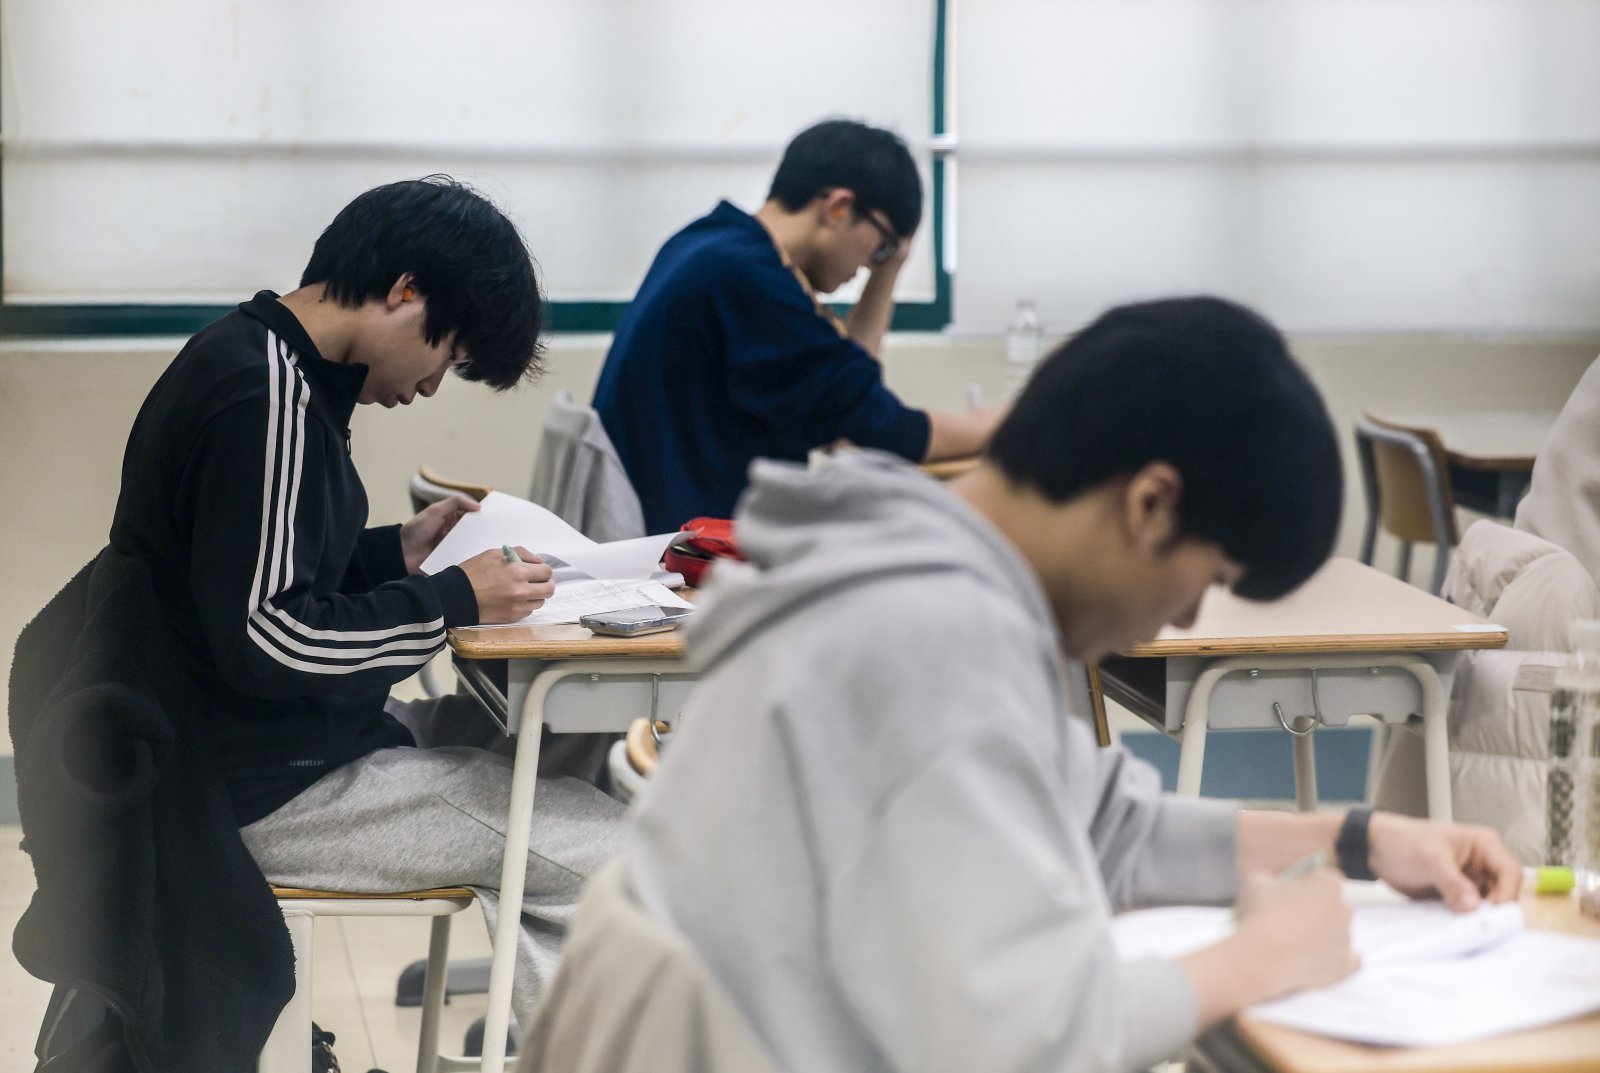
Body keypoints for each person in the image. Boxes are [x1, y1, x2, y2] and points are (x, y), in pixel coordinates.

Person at [536, 297, 1522, 1073]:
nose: (1183, 619)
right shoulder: (940, 632)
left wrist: (1361, 840)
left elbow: (1105, 826)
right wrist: (1263, 955)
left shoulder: (912, 547)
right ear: (1149, 502)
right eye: (1205, 578)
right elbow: (1029, 1037)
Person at [107, 175, 623, 1031]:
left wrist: (394, 551)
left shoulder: (264, 364)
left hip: (247, 756)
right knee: (616, 859)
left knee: (548, 780)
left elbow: (246, 572)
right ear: (406, 290)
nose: (432, 386)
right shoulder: (267, 399)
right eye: (446, 356)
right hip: (256, 790)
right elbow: (268, 636)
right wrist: (452, 597)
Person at [592, 118, 1005, 533]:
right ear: (838, 208)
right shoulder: (751, 281)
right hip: (692, 548)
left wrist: (889, 267)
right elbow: (882, 431)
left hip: (672, 528)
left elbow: (844, 403)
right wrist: (999, 426)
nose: (869, 265)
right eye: (880, 248)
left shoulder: (710, 242)